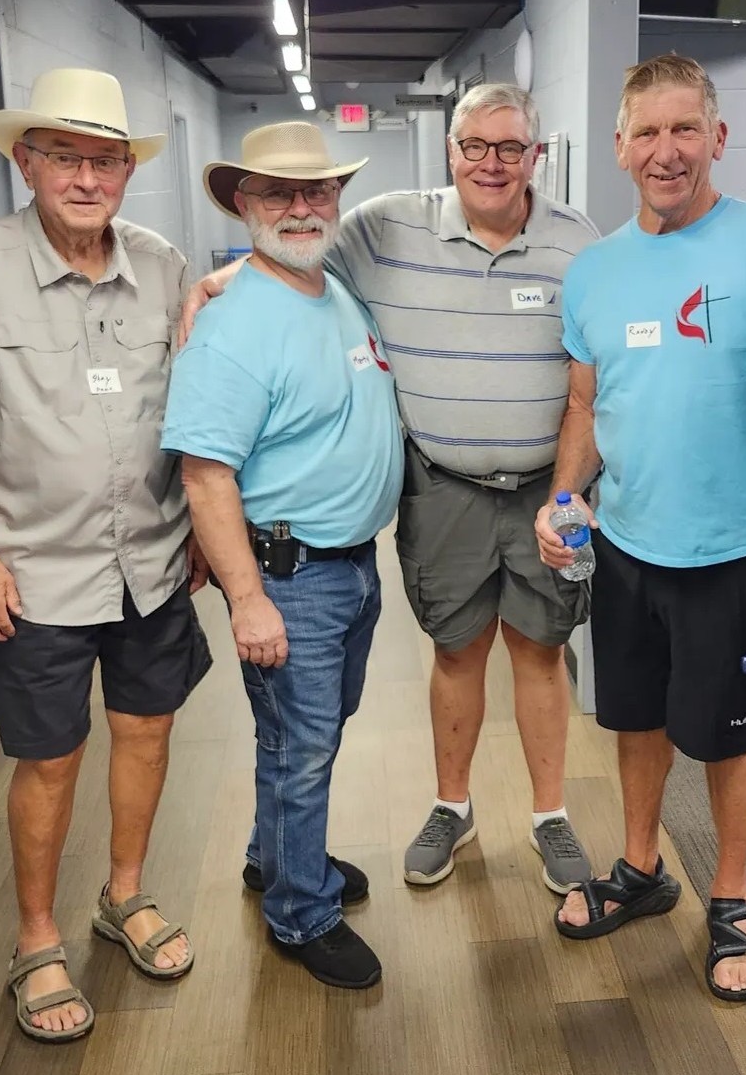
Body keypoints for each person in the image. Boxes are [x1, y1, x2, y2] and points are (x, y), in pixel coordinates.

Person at [182, 84, 599, 897]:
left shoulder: (578, 240)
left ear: (535, 156)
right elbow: (291, 262)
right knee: (455, 649)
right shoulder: (382, 226)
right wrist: (217, 282)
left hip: (547, 493)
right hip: (442, 488)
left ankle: (549, 815)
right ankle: (452, 805)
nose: (490, 162)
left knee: (541, 652)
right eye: (474, 145)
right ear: (450, 151)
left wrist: (575, 490)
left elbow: (594, 376)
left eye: (509, 147)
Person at [0, 67, 211, 1043]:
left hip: (151, 559)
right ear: (23, 161)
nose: (86, 176)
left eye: (105, 159)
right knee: (49, 755)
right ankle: (36, 936)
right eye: (64, 155)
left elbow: (196, 402)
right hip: (30, 571)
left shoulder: (159, 263)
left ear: (127, 172)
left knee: (148, 732)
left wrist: (202, 523)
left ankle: (122, 895)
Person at [537, 54, 746, 1003]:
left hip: (736, 547)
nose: (667, 151)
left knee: (732, 732)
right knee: (636, 712)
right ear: (619, 147)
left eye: (684, 129)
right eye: (647, 133)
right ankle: (639, 867)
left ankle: (733, 895)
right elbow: (586, 402)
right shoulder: (596, 272)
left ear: (717, 138)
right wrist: (564, 497)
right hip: (624, 543)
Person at [162, 123, 403, 989]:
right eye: (276, 193)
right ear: (241, 203)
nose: (301, 207)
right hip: (289, 575)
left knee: (303, 734)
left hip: (349, 565)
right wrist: (247, 598)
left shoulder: (328, 285)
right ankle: (301, 914)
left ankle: (277, 856)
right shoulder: (232, 329)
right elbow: (204, 476)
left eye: (316, 191)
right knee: (303, 746)